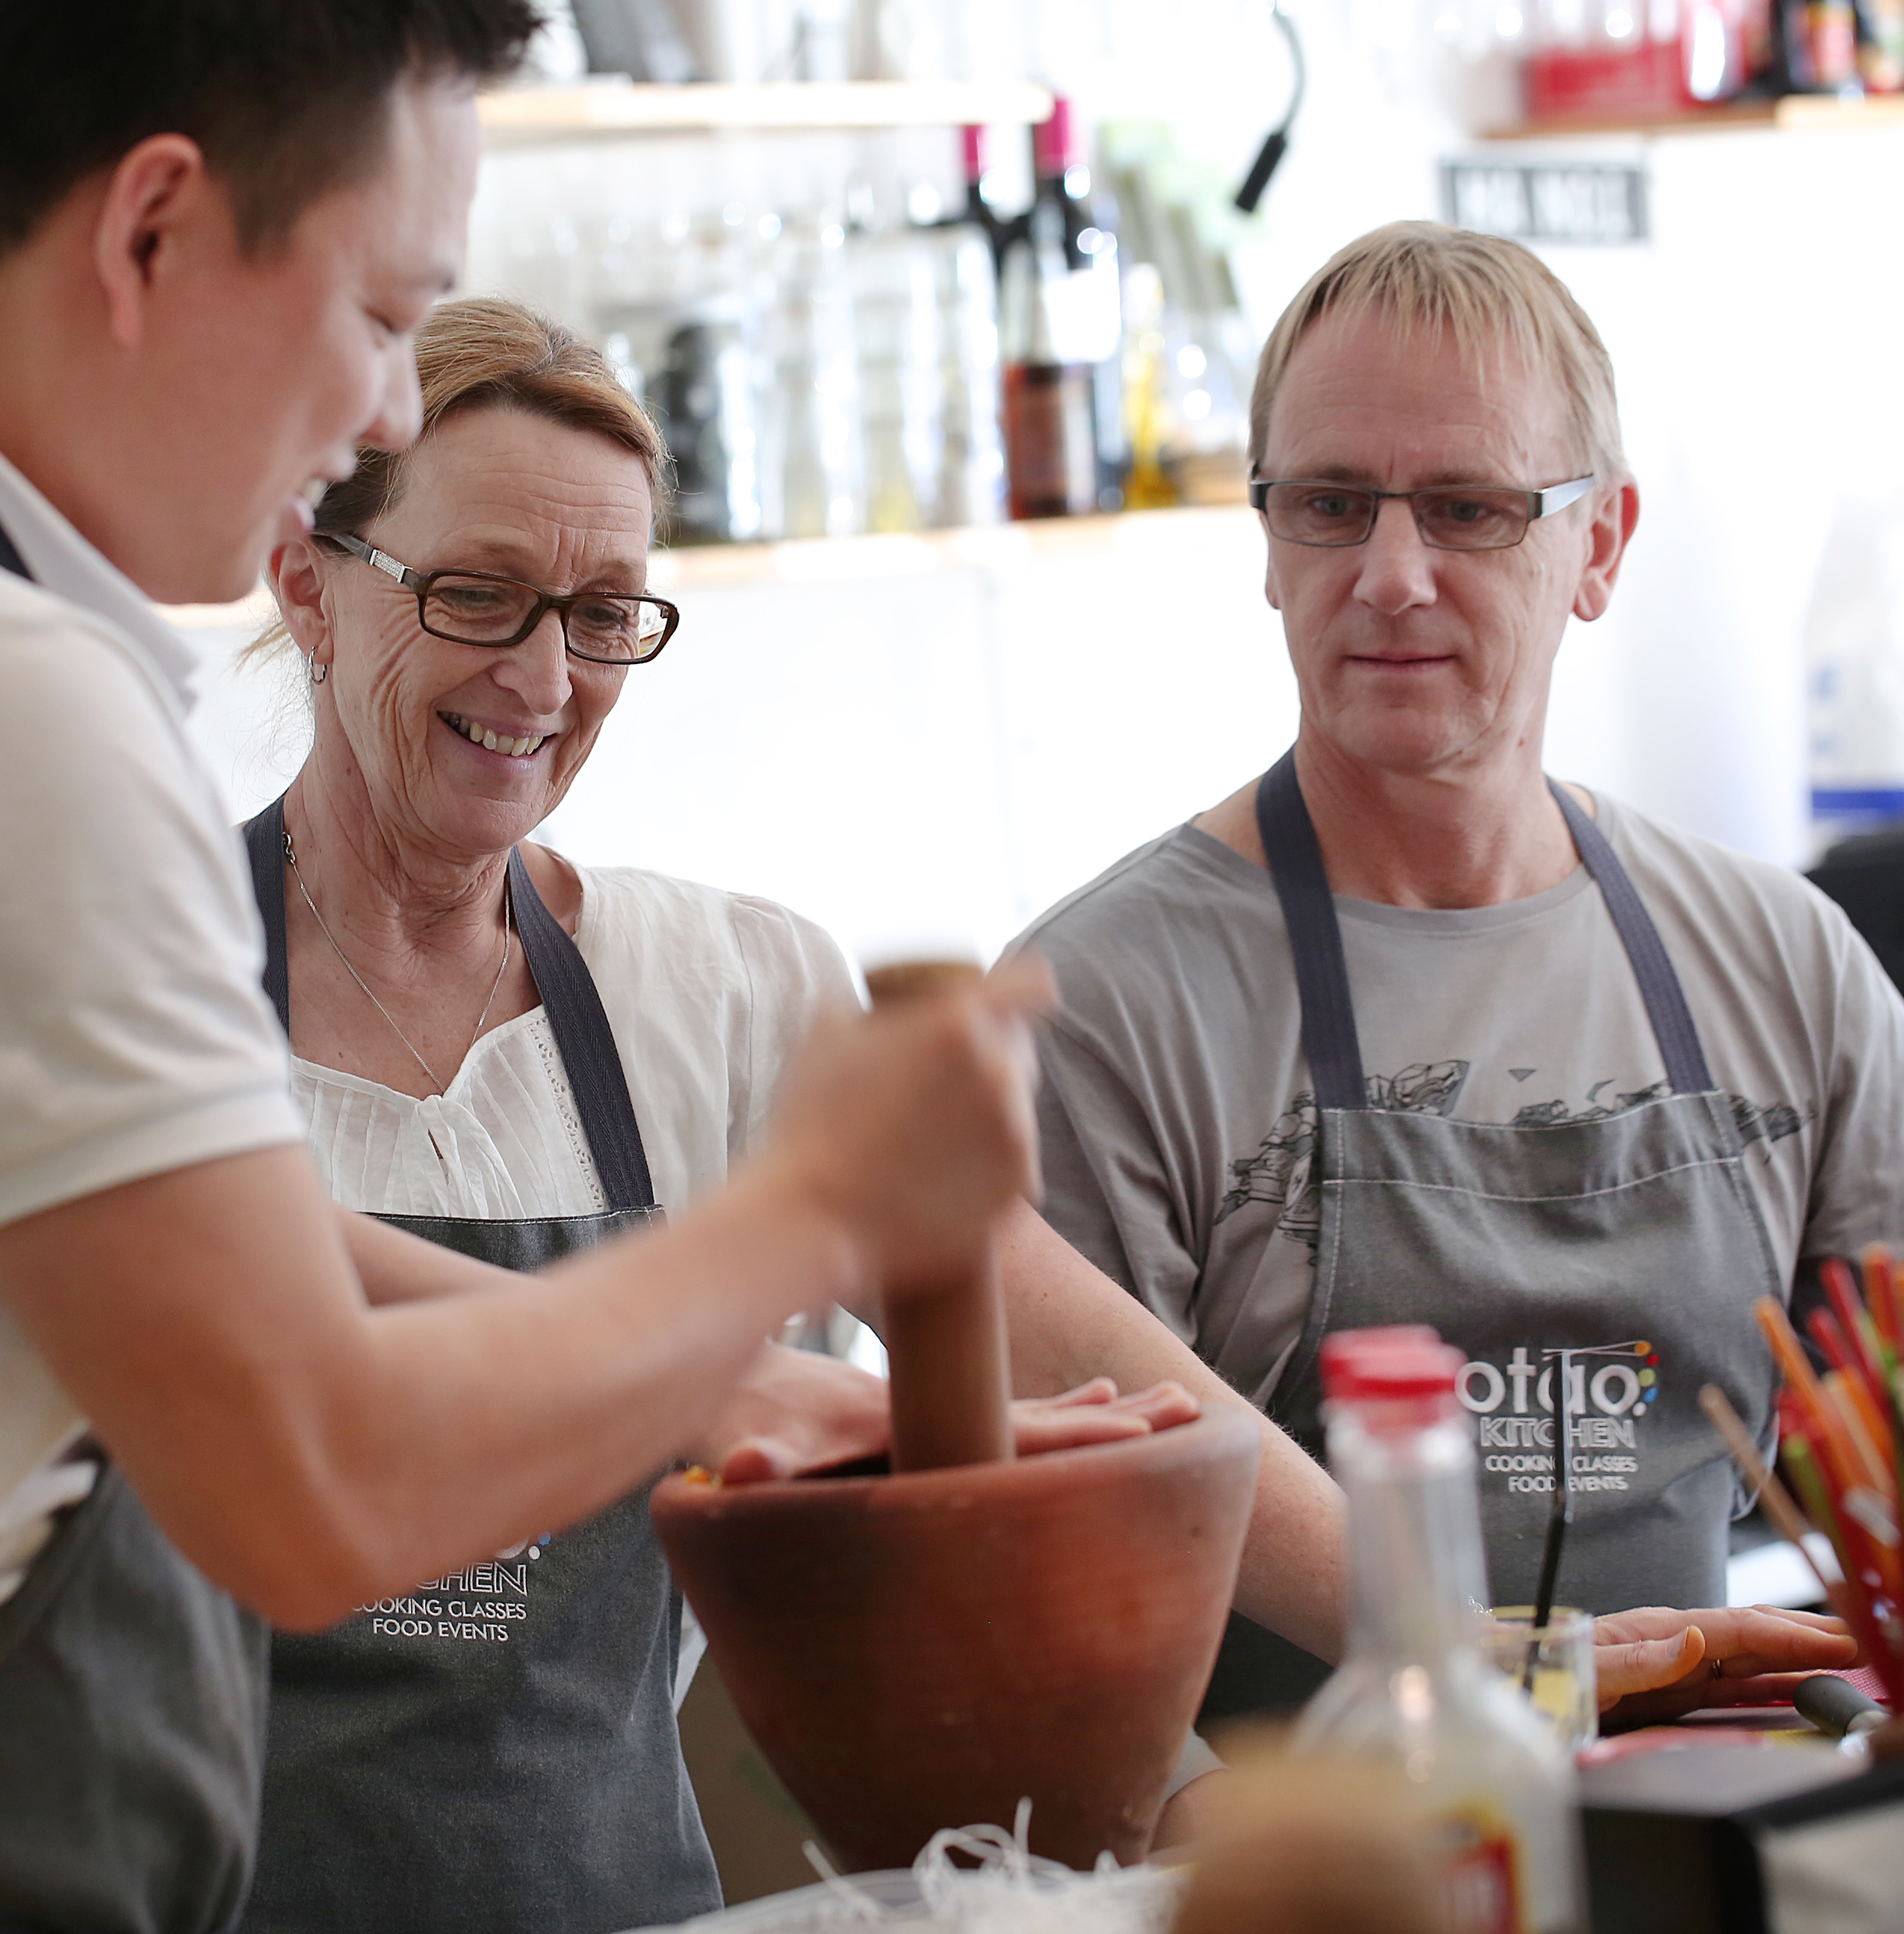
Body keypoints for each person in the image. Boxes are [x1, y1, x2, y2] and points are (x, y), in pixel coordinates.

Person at [0, 11, 1062, 1934]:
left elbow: (143, 1223)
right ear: (152, 230)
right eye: (383, 311)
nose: (381, 413)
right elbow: (318, 1494)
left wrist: (714, 1374)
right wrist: (808, 1210)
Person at [234, 295, 1358, 1929]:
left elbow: (1098, 1369)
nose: (543, 676)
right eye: (477, 593)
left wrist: (1455, 1639)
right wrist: (719, 1366)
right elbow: (238, 1264)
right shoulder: (139, 987)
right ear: (303, 583)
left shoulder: (728, 992)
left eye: (605, 613)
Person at [1013, 221, 1904, 1719]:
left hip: (1702, 1822)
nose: (1391, 575)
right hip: (1312, 1866)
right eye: (1333, 504)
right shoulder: (1100, 1004)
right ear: (1270, 539)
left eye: (1467, 508)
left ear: (1598, 544)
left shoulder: (1769, 957)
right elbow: (1056, 1564)